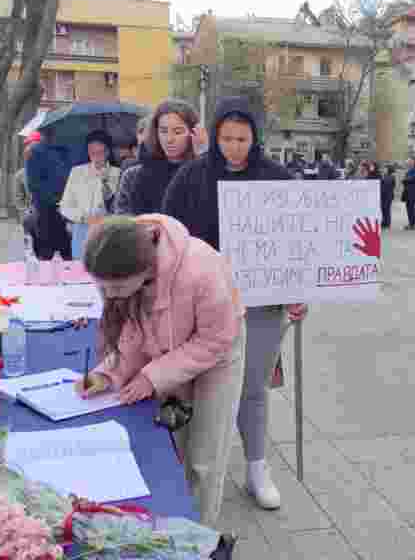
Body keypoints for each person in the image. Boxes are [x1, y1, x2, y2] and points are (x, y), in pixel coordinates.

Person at [162, 96, 308, 511]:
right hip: (205, 302)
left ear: (256, 138)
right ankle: (197, 469)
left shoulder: (278, 179)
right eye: (226, 138)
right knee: (200, 386)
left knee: (254, 388)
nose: (234, 147)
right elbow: (170, 238)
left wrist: (299, 293)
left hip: (263, 303)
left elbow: (301, 245)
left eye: (243, 139)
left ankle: (257, 468)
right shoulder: (190, 178)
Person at [78, 214, 245, 525]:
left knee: (205, 458)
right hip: (170, 351)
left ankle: (200, 538)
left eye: (116, 287)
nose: (110, 295)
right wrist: (108, 372)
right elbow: (134, 333)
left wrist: (152, 376)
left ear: (144, 269)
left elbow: (215, 338)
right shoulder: (127, 268)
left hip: (217, 355)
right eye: (103, 287)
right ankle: (175, 519)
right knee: (176, 446)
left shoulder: (201, 269)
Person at [115, 100, 203, 216]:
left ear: (193, 133)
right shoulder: (132, 176)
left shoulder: (202, 174)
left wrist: (202, 156)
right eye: (163, 131)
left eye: (178, 132)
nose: (169, 139)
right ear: (155, 132)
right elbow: (123, 224)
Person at [59, 130, 122, 257]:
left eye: (101, 152)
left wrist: (105, 182)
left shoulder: (118, 173)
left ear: (108, 152)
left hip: (108, 232)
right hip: (82, 230)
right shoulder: (77, 172)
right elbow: (65, 206)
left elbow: (119, 206)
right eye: (92, 152)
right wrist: (83, 217)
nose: (96, 156)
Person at [27, 130, 72, 260]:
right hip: (47, 210)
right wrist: (57, 199)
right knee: (47, 253)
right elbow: (33, 184)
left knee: (66, 253)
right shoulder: (36, 151)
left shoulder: (65, 149)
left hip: (65, 208)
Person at [381, 164, 396, 230]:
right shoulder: (383, 176)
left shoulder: (391, 176)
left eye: (385, 169)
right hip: (383, 194)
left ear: (388, 170)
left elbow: (389, 183)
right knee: (383, 209)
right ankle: (384, 222)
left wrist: (383, 179)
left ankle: (387, 223)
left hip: (388, 195)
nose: (384, 170)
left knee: (387, 209)